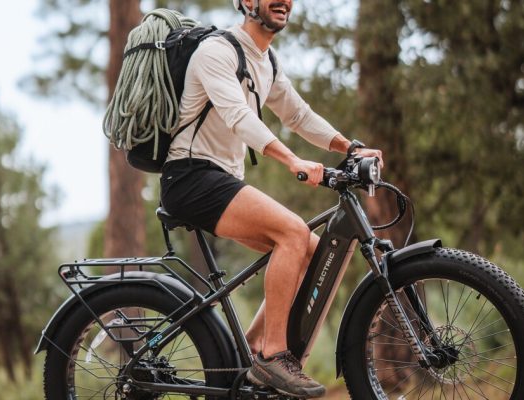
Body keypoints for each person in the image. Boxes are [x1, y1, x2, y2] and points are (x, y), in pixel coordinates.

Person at [160, 0, 383, 397]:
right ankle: (271, 355)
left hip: (220, 179)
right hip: (191, 176)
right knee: (293, 233)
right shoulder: (216, 50)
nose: (283, 1)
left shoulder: (267, 61)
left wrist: (350, 148)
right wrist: (291, 159)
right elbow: (239, 117)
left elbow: (298, 115)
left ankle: (246, 358)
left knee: (313, 250)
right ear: (247, 2)